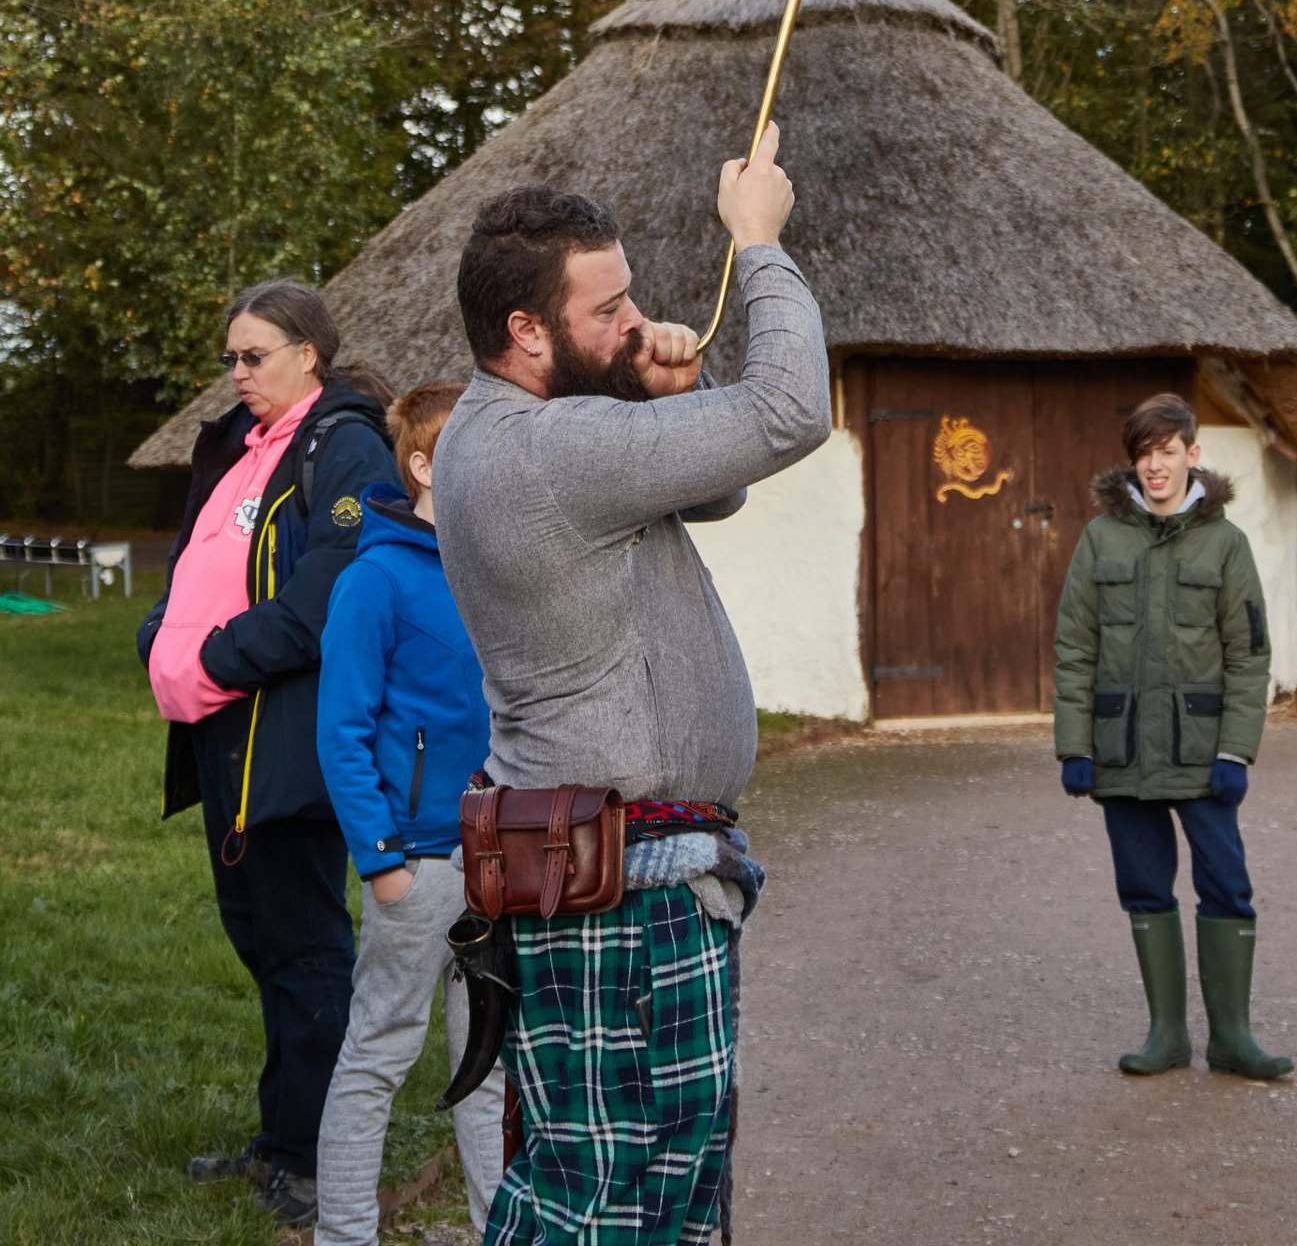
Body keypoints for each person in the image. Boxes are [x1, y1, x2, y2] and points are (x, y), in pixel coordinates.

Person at [431, 121, 831, 1246]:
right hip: (627, 891)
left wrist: (650, 392)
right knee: (607, 1201)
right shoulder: (550, 451)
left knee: (659, 1189)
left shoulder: (526, 432)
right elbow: (789, 413)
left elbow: (714, 492)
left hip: (618, 874)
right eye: (605, 309)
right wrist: (758, 245)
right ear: (525, 329)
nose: (636, 319)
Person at [137, 281, 395, 1230]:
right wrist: (158, 640)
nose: (237, 374)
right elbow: (195, 565)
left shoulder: (346, 446)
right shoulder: (243, 448)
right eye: (231, 359)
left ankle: (317, 1161)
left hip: (286, 741)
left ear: (308, 355)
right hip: (223, 732)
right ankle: (281, 1136)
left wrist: (207, 660)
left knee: (306, 949)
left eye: (254, 356)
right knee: (262, 940)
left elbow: (329, 597)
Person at [1054, 393, 1293, 1083]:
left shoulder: (1226, 544)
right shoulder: (1102, 538)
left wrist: (1235, 750)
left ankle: (1233, 1038)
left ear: (1192, 453)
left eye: (1166, 452)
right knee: (1143, 887)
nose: (1154, 466)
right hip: (1122, 750)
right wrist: (1076, 745)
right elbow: (1074, 646)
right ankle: (1166, 1034)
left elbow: (1249, 653)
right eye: (1143, 454)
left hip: (1201, 754)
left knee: (1226, 884)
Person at [313, 381, 503, 1246]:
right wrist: (381, 859)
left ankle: (500, 1227)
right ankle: (344, 1235)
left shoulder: (494, 573)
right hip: (415, 867)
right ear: (423, 465)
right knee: (379, 1054)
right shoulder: (374, 580)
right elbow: (341, 733)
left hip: (497, 863)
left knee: (489, 1064)